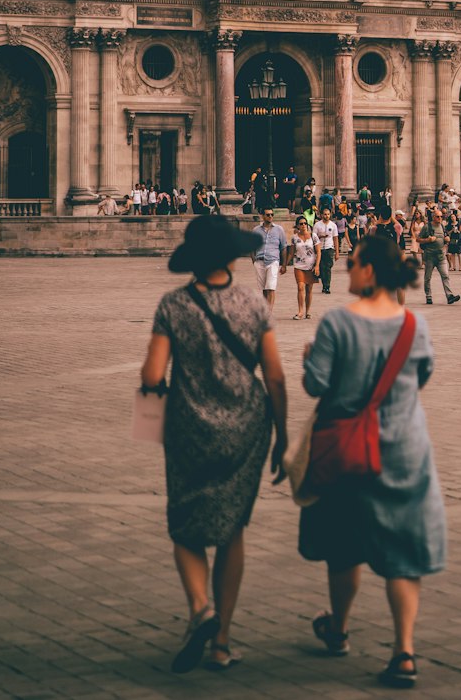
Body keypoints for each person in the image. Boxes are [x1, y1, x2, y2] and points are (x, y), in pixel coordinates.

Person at [140, 216, 287, 672]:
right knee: (232, 528)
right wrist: (282, 435)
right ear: (231, 256)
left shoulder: (173, 305)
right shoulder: (252, 305)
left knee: (185, 523)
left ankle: (200, 607)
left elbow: (151, 374)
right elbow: (276, 376)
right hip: (247, 428)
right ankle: (221, 640)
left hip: (188, 427)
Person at [299, 233, 445, 688]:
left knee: (344, 547)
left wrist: (310, 359)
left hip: (347, 451)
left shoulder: (337, 323)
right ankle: (404, 651)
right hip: (404, 448)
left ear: (370, 271)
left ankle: (339, 629)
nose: (346, 267)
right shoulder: (413, 324)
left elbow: (315, 385)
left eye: (353, 262)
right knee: (403, 554)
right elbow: (422, 376)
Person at [419, 209, 460, 306]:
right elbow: (418, 239)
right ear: (433, 217)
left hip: (441, 256)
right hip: (430, 256)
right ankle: (428, 296)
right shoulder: (427, 227)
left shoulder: (442, 226)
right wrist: (428, 240)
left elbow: (445, 237)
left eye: (441, 216)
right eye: (438, 216)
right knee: (427, 277)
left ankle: (449, 296)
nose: (440, 218)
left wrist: (447, 239)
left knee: (445, 275)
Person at [252, 207, 288, 313]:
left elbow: (283, 247)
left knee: (271, 287)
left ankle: (269, 312)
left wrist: (284, 264)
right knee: (264, 288)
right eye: (268, 215)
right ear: (263, 216)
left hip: (273, 260)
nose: (270, 217)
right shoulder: (256, 230)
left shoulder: (279, 229)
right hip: (259, 260)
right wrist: (253, 260)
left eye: (272, 215)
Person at [289, 216, 320, 320]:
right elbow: (291, 252)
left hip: (311, 265)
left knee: (309, 289)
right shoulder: (294, 238)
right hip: (298, 265)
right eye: (301, 224)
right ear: (297, 226)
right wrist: (284, 264)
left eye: (305, 223)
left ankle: (308, 311)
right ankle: (300, 311)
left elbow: (318, 252)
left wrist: (317, 265)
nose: (303, 225)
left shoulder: (313, 236)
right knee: (300, 287)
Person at [313, 205, 339, 295]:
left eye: (328, 214)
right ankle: (324, 284)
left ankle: (327, 286)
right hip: (320, 249)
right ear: (321, 215)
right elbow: (313, 237)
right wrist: (320, 236)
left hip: (329, 248)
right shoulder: (317, 225)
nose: (326, 216)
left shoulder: (333, 225)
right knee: (322, 268)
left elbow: (335, 238)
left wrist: (337, 252)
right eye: (325, 214)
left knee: (328, 267)